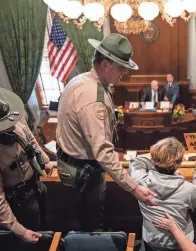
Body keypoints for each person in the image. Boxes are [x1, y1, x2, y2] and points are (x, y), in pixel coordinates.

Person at [56, 33, 157, 232]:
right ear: (106, 64)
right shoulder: (93, 97)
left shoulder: (82, 80)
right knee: (91, 225)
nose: (124, 74)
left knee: (81, 220)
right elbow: (102, 152)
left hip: (74, 165)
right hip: (83, 173)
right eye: (121, 68)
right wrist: (134, 188)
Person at [0, 87, 53, 243]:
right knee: (31, 239)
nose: (12, 125)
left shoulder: (15, 117)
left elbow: (30, 139)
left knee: (43, 225)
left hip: (36, 185)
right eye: (5, 124)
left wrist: (44, 159)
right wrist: (21, 231)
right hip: (19, 201)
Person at [130, 137, 196, 251]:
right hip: (182, 245)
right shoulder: (188, 189)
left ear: (154, 159)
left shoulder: (140, 183)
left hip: (152, 243)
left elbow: (136, 162)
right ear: (178, 163)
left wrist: (158, 159)